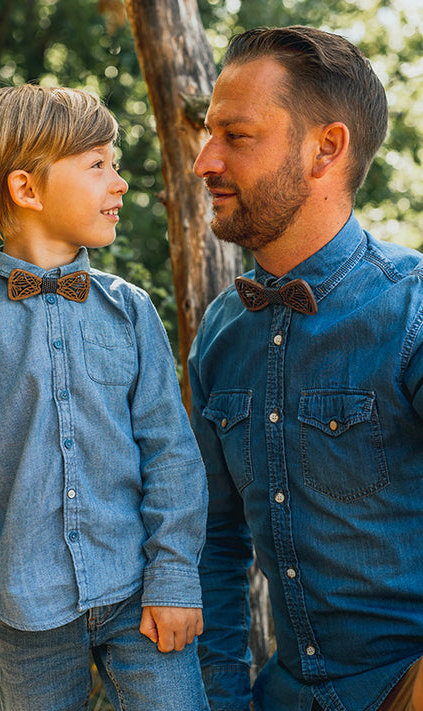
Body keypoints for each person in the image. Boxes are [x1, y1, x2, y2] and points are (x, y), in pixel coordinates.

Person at [0, 84, 210, 711]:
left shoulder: (130, 312)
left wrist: (176, 578)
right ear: (27, 189)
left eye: (116, 164)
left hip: (140, 595)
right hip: (24, 610)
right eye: (98, 164)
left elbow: (171, 456)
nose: (120, 182)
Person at [188, 25, 423, 711]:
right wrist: (223, 700)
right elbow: (211, 547)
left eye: (237, 135)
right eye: (209, 133)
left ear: (325, 148)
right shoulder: (220, 333)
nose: (204, 160)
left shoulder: (412, 309)